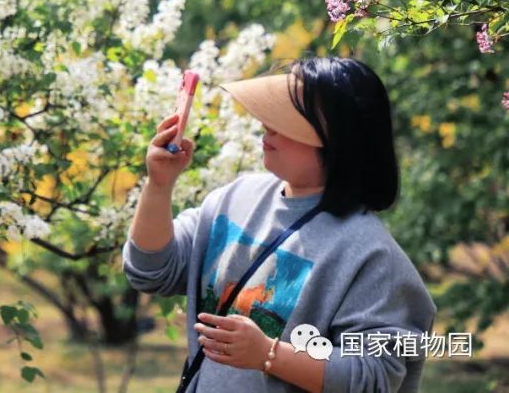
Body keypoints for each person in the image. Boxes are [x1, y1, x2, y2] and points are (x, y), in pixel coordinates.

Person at [123, 57, 435, 393]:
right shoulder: (234, 199)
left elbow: (374, 377)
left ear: (337, 142)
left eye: (286, 120)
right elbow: (150, 271)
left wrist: (268, 354)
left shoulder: (372, 255)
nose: (266, 127)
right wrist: (159, 184)